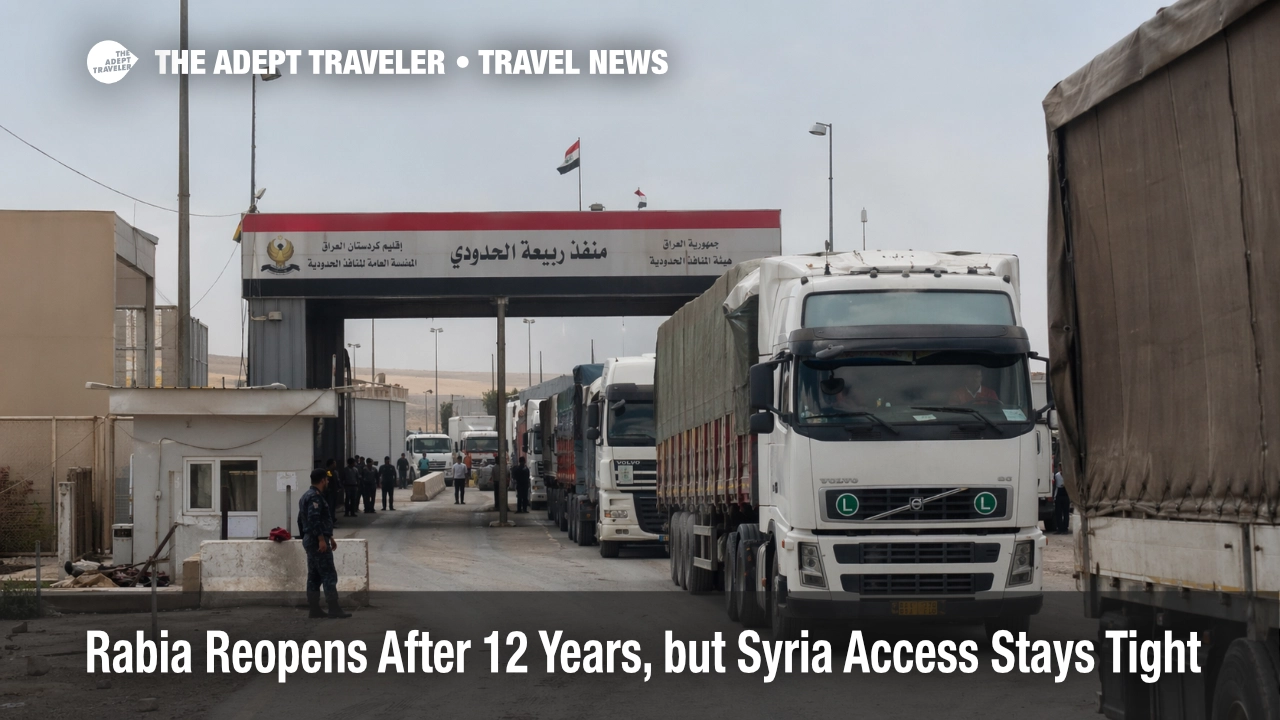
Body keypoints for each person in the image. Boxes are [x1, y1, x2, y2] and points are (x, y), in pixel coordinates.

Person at [298, 468, 350, 619]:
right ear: (322, 480)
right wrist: (321, 539)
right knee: (328, 574)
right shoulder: (315, 497)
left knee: (314, 576)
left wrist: (328, 537)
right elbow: (314, 519)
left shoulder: (306, 496)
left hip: (311, 539)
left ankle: (314, 609)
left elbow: (301, 520)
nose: (327, 481)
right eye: (326, 479)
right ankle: (333, 607)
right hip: (316, 540)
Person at [1053, 466, 1071, 534]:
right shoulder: (1057, 475)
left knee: (1066, 512)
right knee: (1058, 512)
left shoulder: (1067, 475)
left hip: (1066, 494)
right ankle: (1059, 528)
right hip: (1059, 493)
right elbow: (1055, 485)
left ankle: (1065, 528)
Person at [323, 458, 340, 526]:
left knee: (333, 507)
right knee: (330, 507)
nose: (335, 465)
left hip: (334, 491)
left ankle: (332, 519)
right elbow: (330, 479)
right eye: (334, 463)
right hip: (330, 492)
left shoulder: (334, 472)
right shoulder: (328, 472)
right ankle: (330, 522)